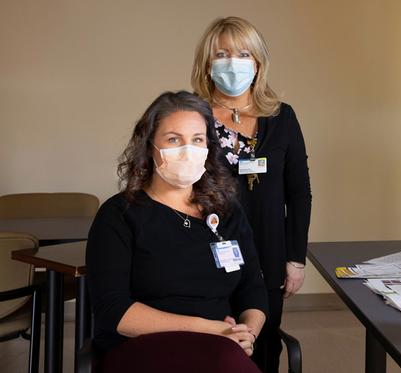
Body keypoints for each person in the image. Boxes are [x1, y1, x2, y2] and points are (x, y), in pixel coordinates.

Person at [86, 91, 268, 373]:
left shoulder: (227, 212)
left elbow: (253, 289)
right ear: (149, 146)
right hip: (141, 348)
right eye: (173, 139)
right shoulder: (119, 215)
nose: (188, 149)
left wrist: (248, 334)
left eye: (197, 140)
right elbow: (114, 311)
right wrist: (209, 329)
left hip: (222, 347)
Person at [191, 16, 312, 372]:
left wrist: (295, 259)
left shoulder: (282, 118)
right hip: (205, 253)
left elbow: (299, 192)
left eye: (243, 53)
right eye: (222, 54)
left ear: (257, 63)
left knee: (263, 348)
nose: (233, 62)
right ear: (207, 63)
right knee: (212, 349)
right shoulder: (191, 117)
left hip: (269, 254)